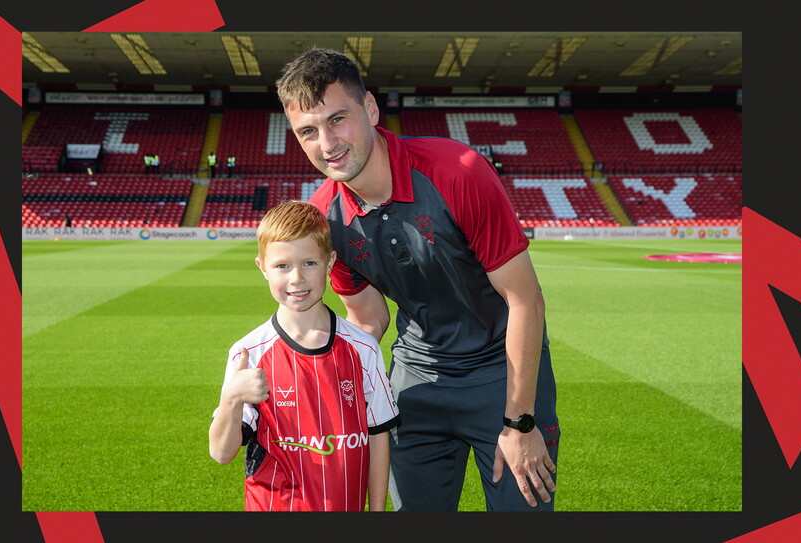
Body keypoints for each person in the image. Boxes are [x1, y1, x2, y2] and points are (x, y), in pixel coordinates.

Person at [276, 48, 560, 512]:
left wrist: (522, 423)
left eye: (337, 120)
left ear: (370, 109)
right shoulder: (325, 218)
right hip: (416, 381)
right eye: (308, 131)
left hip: (501, 374)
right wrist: (321, 389)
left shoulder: (457, 172)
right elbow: (367, 320)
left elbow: (525, 300)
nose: (326, 144)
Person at [208, 200, 401, 512]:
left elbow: (378, 435)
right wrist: (232, 399)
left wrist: (377, 510)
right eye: (283, 265)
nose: (296, 279)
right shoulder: (249, 353)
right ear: (263, 267)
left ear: (329, 262)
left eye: (309, 263)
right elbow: (220, 453)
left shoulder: (363, 348)